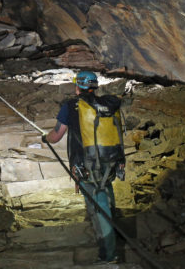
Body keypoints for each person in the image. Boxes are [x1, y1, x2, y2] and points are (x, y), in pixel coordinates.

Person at [43, 71, 125, 263]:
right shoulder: (107, 105)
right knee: (107, 192)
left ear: (77, 86)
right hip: (110, 161)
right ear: (94, 87)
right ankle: (115, 233)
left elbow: (56, 136)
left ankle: (108, 255)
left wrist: (44, 138)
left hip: (86, 166)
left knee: (99, 208)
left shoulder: (72, 106)